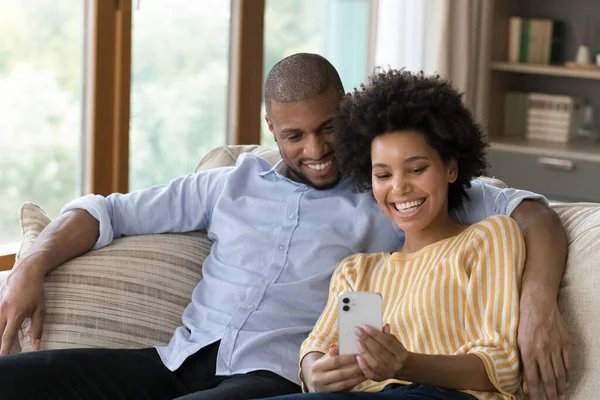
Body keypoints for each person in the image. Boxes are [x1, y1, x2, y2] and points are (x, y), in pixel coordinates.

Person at [0, 54, 569, 400]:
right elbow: (107, 211)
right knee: (25, 378)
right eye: (294, 136)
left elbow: (532, 212)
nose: (316, 149)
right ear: (270, 127)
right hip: (175, 360)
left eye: (328, 127)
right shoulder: (231, 182)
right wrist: (31, 265)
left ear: (348, 108)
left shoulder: (389, 189)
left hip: (269, 380)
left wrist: (538, 305)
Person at [259, 68, 525, 400]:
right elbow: (316, 351)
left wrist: (406, 365)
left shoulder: (487, 239)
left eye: (417, 169)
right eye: (383, 174)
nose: (399, 188)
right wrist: (317, 372)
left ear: (451, 168)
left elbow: (502, 366)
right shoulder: (358, 272)